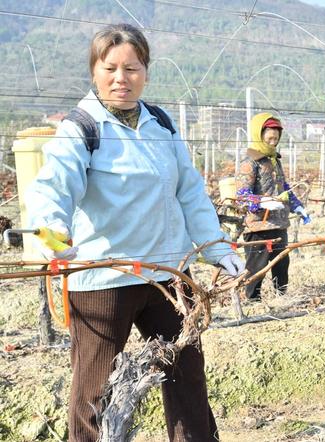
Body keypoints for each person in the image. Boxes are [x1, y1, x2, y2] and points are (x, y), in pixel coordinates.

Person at [25, 24, 244, 441]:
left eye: (132, 68)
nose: (121, 79)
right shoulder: (81, 127)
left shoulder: (160, 123)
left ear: (146, 71)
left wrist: (215, 247)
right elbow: (54, 187)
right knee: (95, 388)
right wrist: (53, 232)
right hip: (105, 277)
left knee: (186, 374)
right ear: (95, 71)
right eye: (110, 68)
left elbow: (189, 190)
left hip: (168, 273)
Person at [235, 113, 311, 301]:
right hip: (258, 226)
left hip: (278, 223)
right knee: (256, 266)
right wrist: (262, 202)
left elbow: (284, 187)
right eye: (269, 138)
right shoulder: (250, 162)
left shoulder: (274, 160)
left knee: (281, 263)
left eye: (276, 139)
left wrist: (298, 206)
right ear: (258, 135)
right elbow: (242, 196)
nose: (273, 142)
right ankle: (253, 300)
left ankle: (281, 297)